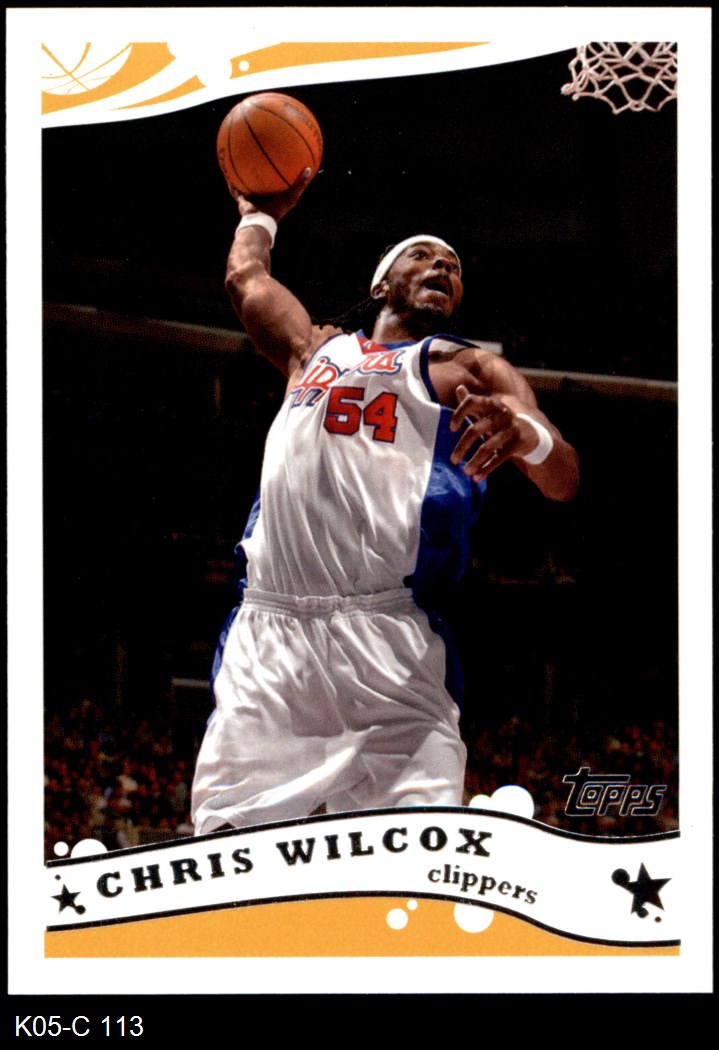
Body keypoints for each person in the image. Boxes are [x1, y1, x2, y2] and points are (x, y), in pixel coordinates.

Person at [191, 171, 579, 834]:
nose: (443, 266)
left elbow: (562, 477)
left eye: (453, 266)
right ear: (380, 285)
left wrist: (526, 436)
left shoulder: (469, 368)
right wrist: (259, 214)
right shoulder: (312, 350)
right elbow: (246, 280)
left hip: (392, 643)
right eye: (423, 255)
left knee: (411, 860)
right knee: (227, 853)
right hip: (272, 635)